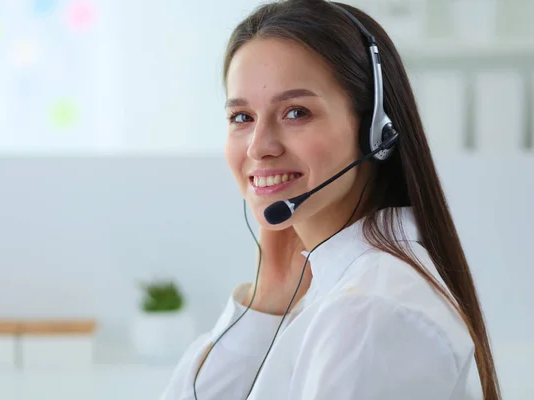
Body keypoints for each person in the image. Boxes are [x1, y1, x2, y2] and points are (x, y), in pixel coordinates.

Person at [161, 1, 501, 399]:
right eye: (242, 117)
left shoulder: (369, 315)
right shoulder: (333, 288)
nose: (259, 147)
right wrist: (267, 301)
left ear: (377, 130)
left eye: (296, 112)